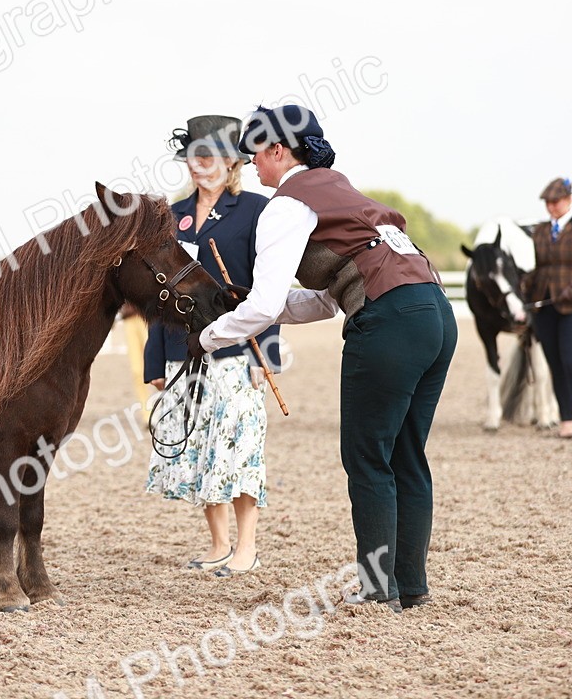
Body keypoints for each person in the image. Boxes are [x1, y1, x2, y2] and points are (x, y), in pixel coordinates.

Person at [186, 104, 457, 611]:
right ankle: (410, 587)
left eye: (257, 156)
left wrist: (208, 337)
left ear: (277, 151)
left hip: (389, 324)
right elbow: (323, 300)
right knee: (407, 454)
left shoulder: (286, 205)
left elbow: (269, 305)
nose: (255, 168)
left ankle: (378, 591)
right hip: (435, 314)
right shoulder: (344, 192)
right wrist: (246, 305)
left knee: (367, 458)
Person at [144, 115, 280, 578]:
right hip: (181, 350)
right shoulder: (173, 213)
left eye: (207, 157)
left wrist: (269, 348)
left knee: (240, 448)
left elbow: (269, 286)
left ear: (230, 161)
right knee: (200, 450)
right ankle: (219, 544)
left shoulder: (257, 210)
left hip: (238, 349)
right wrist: (154, 358)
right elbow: (158, 290)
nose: (198, 166)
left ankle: (247, 547)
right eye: (192, 158)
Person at [522, 178, 572, 440]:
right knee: (556, 364)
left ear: (569, 199)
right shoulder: (539, 232)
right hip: (545, 305)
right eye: (547, 203)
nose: (551, 207)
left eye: (555, 201)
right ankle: (566, 419)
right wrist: (527, 282)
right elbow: (541, 267)